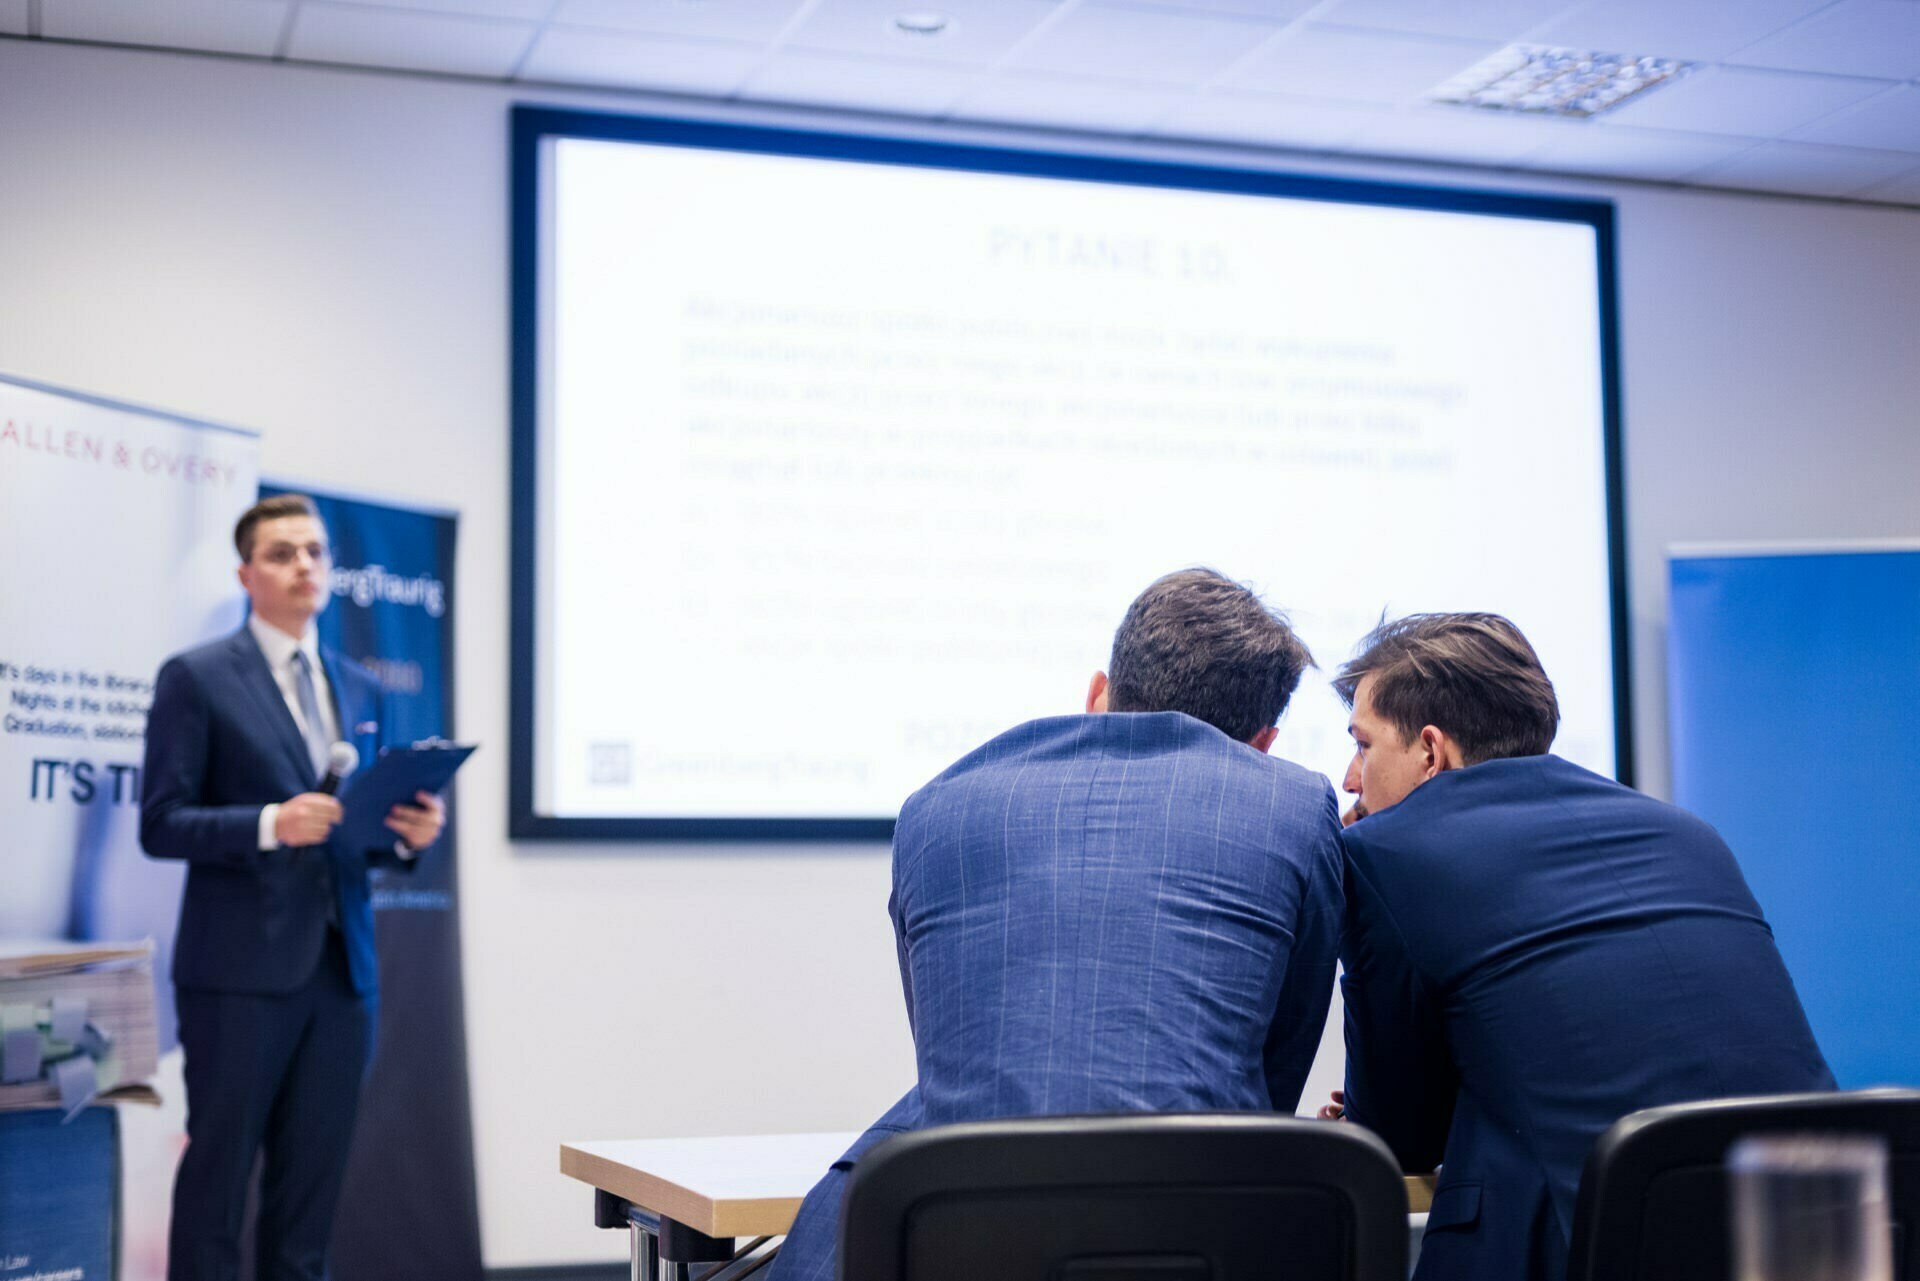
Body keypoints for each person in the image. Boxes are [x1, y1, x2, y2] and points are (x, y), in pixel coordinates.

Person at [769, 568, 1345, 1281]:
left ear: (1098, 694)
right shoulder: (1296, 804)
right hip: (1197, 1241)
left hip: (967, 1239)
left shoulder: (935, 807)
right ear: (1262, 743)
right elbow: (1275, 1066)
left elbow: (951, 1057)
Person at [1326, 613, 1833, 1281]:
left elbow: (1397, 1138)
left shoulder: (1381, 854)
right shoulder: (1686, 831)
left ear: (1429, 749)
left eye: (1363, 745)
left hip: (1593, 1244)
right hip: (1807, 1234)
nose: (1349, 778)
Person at [141, 493, 446, 1281]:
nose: (304, 564)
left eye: (314, 551)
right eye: (282, 552)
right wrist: (271, 821)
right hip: (237, 978)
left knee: (308, 1203)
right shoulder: (198, 678)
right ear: (247, 574)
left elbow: (352, 834)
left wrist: (405, 836)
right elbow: (162, 822)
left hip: (344, 977)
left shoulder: (356, 683)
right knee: (214, 1193)